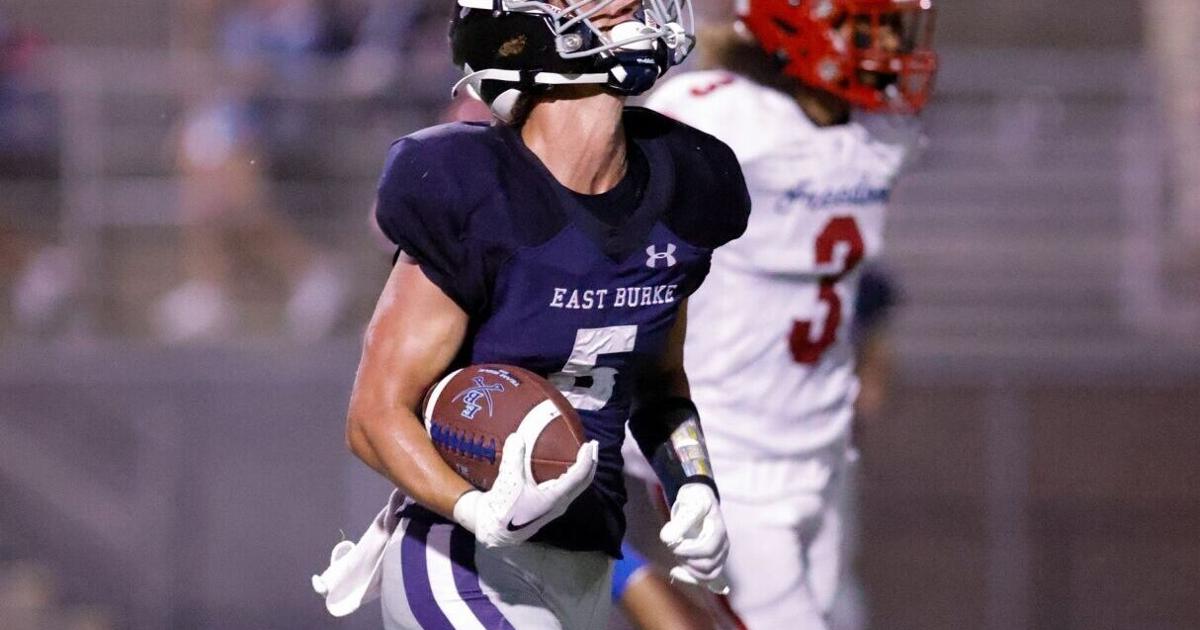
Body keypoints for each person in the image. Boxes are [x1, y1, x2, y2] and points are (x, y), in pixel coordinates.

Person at [323, 1, 751, 628]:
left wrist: (692, 483)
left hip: (589, 562)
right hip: (461, 558)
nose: (630, 4)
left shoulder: (684, 178)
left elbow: (658, 386)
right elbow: (372, 417)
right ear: (522, 29)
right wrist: (476, 510)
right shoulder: (469, 186)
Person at [641, 1, 937, 628]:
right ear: (796, 24)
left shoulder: (881, 132)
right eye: (869, 25)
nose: (888, 45)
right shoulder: (718, 113)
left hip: (823, 447)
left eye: (892, 25)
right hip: (728, 452)